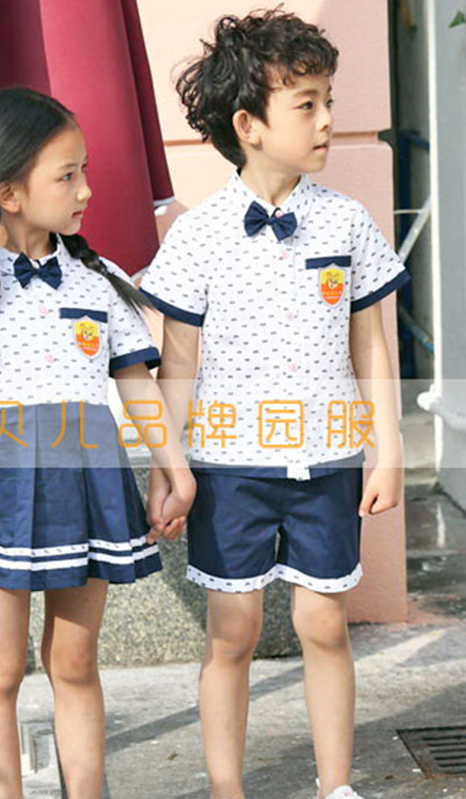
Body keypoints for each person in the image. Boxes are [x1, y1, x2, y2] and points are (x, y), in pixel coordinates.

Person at [142, 8, 411, 799]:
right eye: (307, 104)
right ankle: (227, 787)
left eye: (330, 100)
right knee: (234, 631)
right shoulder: (198, 235)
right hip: (230, 466)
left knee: (325, 624)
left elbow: (371, 345)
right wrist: (169, 465)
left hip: (327, 458)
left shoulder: (348, 222)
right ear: (249, 125)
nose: (327, 120)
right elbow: (177, 363)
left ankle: (336, 786)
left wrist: (388, 449)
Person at [0, 86, 195, 799]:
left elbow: (137, 387)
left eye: (83, 170)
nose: (86, 189)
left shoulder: (103, 281)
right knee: (0, 668)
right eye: (67, 175)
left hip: (88, 484)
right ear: (8, 192)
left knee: (74, 661)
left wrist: (175, 468)